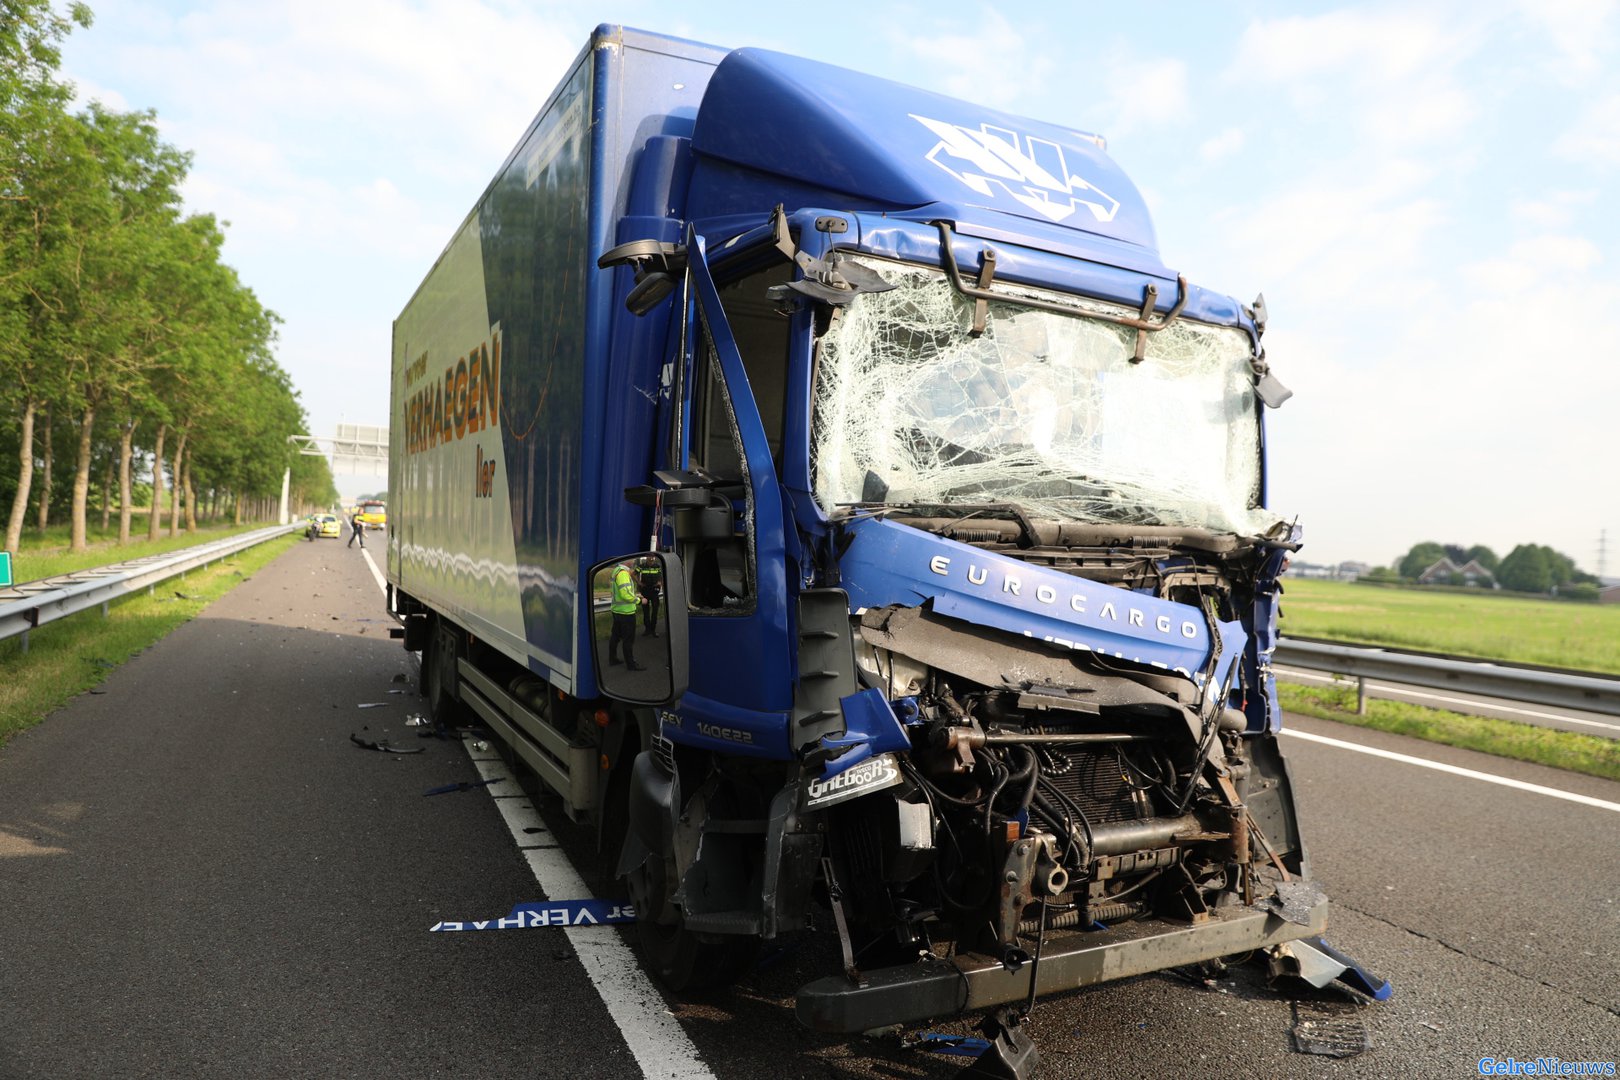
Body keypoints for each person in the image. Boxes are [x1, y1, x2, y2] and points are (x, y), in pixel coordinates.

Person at [606, 561, 644, 671]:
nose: (633, 561)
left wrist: (635, 595)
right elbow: (625, 594)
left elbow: (621, 591)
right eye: (631, 559)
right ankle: (631, 665)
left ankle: (612, 659)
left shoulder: (616, 571)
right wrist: (639, 600)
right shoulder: (623, 573)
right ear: (626, 561)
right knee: (628, 640)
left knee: (615, 636)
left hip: (617, 611)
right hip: (626, 613)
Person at [637, 556, 662, 637]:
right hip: (645, 591)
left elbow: (663, 575)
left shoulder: (658, 566)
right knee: (646, 612)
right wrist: (639, 582)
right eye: (649, 557)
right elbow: (633, 573)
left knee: (655, 612)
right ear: (647, 558)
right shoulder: (641, 566)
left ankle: (653, 630)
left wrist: (660, 582)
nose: (651, 559)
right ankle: (647, 630)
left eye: (653, 557)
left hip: (654, 591)